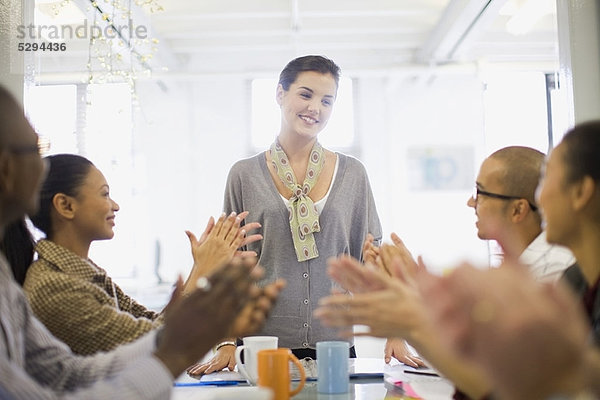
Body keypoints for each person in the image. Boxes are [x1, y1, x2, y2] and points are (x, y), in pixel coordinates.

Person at [0, 84, 284, 398]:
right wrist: (202, 278)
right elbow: (144, 341)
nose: (42, 165)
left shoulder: (59, 278)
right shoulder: (53, 287)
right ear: (65, 206)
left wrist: (199, 300)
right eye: (34, 149)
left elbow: (68, 371)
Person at [189, 55, 383, 375]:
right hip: (259, 346)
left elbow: (370, 259)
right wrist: (225, 342)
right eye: (305, 95)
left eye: (327, 101)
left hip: (334, 347)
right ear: (280, 94)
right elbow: (228, 266)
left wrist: (398, 334)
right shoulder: (244, 175)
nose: (315, 108)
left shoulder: (353, 175)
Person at [1, 153, 264, 355]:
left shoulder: (83, 273)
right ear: (65, 205)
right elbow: (156, 344)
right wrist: (205, 272)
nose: (115, 205)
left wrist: (200, 267)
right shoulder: (54, 286)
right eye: (104, 194)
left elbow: (154, 323)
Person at [416, 120, 600, 399]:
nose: (540, 196)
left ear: (580, 192)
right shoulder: (577, 278)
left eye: (548, 178)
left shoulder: (555, 273)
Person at [362, 146, 575, 370]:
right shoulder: (516, 266)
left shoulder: (552, 272)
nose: (471, 203)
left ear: (517, 210)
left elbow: (488, 366)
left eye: (481, 194)